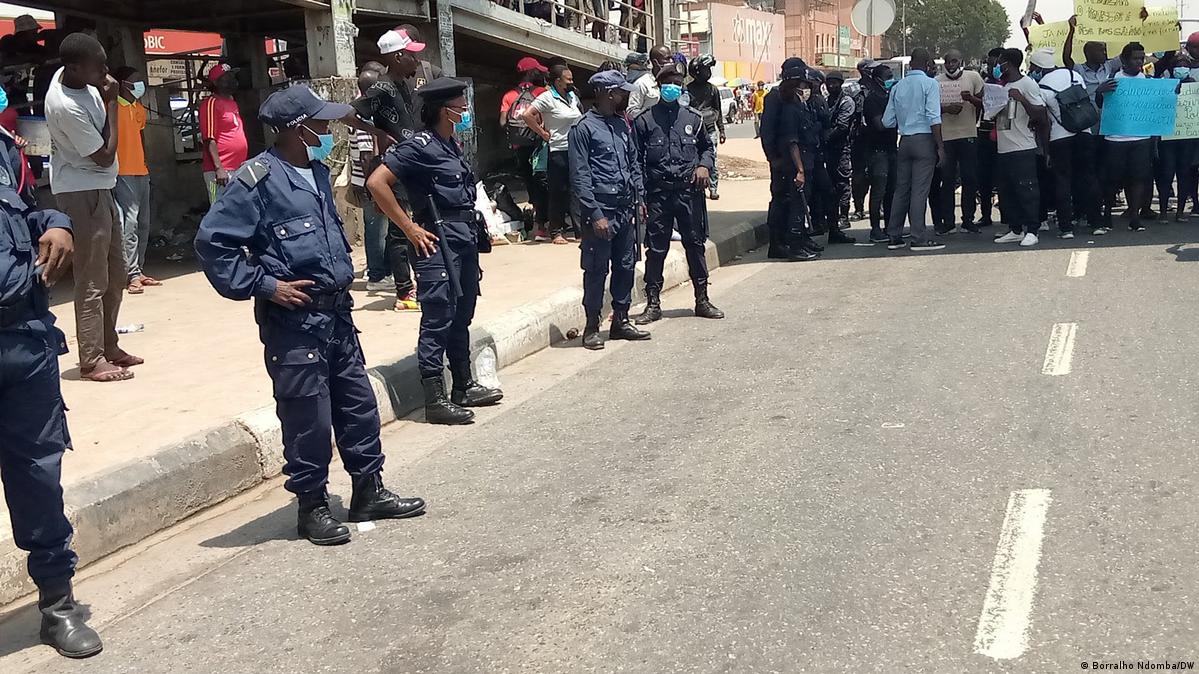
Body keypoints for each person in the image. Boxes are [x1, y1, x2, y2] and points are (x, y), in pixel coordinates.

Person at [195, 84, 427, 545]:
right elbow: (213, 243)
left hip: (338, 316)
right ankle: (312, 506)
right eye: (319, 122)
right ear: (297, 130)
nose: (328, 128)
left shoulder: (317, 172)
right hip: (295, 324)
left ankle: (368, 489)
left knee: (357, 406)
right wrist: (265, 285)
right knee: (308, 417)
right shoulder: (257, 180)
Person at [0, 87, 103, 659]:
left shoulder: (4, 148)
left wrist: (56, 220)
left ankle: (57, 604)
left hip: (23, 344)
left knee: (38, 477)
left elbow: (26, 202)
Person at [367, 78, 504, 425]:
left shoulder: (450, 144)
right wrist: (409, 228)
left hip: (463, 238)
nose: (465, 111)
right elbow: (377, 183)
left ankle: (462, 384)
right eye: (461, 105)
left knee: (462, 311)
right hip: (436, 240)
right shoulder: (419, 146)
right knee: (438, 316)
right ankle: (435, 398)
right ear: (445, 110)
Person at [46, 33, 141, 382]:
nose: (105, 71)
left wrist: (106, 95)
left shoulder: (82, 82)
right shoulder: (64, 103)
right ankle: (92, 359)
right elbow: (103, 156)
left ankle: (109, 344)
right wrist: (113, 103)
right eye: (97, 66)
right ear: (73, 68)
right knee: (91, 276)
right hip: (82, 190)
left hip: (103, 188)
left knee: (116, 272)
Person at [633, 63, 724, 324]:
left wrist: (705, 166)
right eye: (667, 84)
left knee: (695, 246)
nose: (672, 87)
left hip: (688, 193)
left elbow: (708, 149)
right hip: (658, 194)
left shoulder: (693, 119)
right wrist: (640, 198)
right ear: (660, 87)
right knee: (656, 250)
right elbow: (635, 162)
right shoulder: (644, 121)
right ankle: (653, 303)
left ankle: (702, 299)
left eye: (676, 83)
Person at [568, 70, 649, 350]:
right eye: (620, 92)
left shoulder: (621, 125)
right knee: (596, 270)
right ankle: (592, 326)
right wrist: (595, 214)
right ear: (606, 93)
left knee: (626, 266)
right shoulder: (583, 129)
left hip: (625, 209)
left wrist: (639, 199)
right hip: (601, 213)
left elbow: (633, 164)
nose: (625, 96)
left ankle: (621, 320)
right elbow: (580, 176)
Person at [882, 48, 946, 252]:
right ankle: (918, 238)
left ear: (910, 63)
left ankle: (894, 235)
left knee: (901, 189)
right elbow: (934, 118)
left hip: (905, 140)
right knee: (920, 191)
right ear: (927, 63)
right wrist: (941, 147)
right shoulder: (930, 84)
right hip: (924, 139)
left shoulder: (898, 87)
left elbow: (887, 121)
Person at [759, 58, 821, 261]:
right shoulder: (776, 98)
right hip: (784, 161)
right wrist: (773, 159)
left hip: (796, 160)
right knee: (782, 200)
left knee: (796, 202)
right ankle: (779, 243)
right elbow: (770, 133)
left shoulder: (794, 99)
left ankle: (797, 239)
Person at [987, 48, 1047, 247]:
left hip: (1022, 146)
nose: (997, 67)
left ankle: (1032, 229)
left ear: (1009, 64)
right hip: (1003, 146)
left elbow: (1040, 112)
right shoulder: (1001, 86)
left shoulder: (1027, 84)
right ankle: (1015, 228)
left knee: (1027, 189)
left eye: (1000, 63)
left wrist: (1022, 99)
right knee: (1007, 191)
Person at [111, 66, 160, 294]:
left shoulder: (137, 107)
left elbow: (140, 136)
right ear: (123, 84)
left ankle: (138, 269)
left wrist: (146, 163)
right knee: (129, 223)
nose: (140, 84)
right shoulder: (112, 107)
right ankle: (130, 274)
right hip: (123, 171)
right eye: (135, 80)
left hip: (141, 170)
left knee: (143, 222)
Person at [1095, 42, 1153, 234]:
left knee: (1138, 178)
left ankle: (1134, 217)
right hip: (1116, 138)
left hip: (1140, 137)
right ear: (1125, 59)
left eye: (1141, 58)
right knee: (1112, 178)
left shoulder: (1147, 80)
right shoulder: (1114, 79)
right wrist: (1100, 91)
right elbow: (1100, 103)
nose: (1139, 62)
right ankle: (1107, 215)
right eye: (1136, 58)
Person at [522, 64, 583, 244]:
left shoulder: (572, 96)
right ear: (557, 81)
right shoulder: (547, 97)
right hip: (558, 150)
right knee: (558, 192)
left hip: (576, 150)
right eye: (568, 79)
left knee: (577, 190)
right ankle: (556, 231)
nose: (572, 82)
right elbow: (527, 115)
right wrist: (543, 133)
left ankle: (580, 231)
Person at [1029, 47, 1085, 239]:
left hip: (1060, 137)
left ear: (1038, 66)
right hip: (1084, 132)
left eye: (1033, 65)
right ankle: (1096, 222)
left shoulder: (1041, 86)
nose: (1031, 69)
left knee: (1062, 182)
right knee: (1088, 177)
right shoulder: (1073, 74)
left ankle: (1066, 227)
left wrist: (1046, 151)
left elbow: (1044, 122)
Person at [933, 49, 984, 234]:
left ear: (961, 61)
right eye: (948, 62)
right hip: (946, 137)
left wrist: (971, 99)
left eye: (954, 61)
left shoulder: (974, 77)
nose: (951, 65)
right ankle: (948, 221)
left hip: (969, 134)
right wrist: (946, 109)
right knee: (947, 180)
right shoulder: (937, 82)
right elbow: (930, 108)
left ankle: (968, 219)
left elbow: (985, 103)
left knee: (969, 178)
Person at [500, 56, 549, 240]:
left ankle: (535, 218)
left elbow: (503, 121)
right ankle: (543, 223)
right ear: (530, 73)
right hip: (539, 144)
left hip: (519, 145)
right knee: (543, 182)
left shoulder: (509, 95)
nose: (539, 73)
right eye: (537, 70)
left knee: (529, 181)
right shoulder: (542, 92)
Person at [1151, 52, 1195, 222]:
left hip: (1188, 136)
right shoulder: (1163, 84)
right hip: (1167, 137)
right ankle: (1163, 211)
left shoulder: (1193, 85)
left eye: (1184, 65)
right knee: (1166, 173)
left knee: (1184, 173)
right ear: (1171, 68)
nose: (1181, 68)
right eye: (1178, 65)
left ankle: (1180, 211)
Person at [860, 62, 899, 244]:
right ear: (877, 79)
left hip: (892, 149)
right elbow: (880, 125)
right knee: (878, 192)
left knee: (891, 191)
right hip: (877, 152)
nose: (891, 79)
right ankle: (875, 229)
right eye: (888, 77)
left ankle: (890, 227)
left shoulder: (890, 96)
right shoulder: (872, 99)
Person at [199, 63, 248, 204]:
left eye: (232, 76)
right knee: (218, 210)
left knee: (236, 209)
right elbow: (208, 138)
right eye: (227, 77)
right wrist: (219, 168)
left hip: (237, 168)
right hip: (219, 172)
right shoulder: (211, 103)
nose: (232, 79)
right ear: (216, 82)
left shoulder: (232, 102)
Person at [685, 54, 725, 200]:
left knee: (712, 159)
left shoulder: (713, 89)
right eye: (704, 69)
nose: (707, 72)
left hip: (710, 129)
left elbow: (718, 110)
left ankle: (713, 188)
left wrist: (722, 131)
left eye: (709, 69)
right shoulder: (687, 90)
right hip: (693, 131)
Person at [824, 71, 856, 231]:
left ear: (840, 83)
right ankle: (832, 217)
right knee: (829, 185)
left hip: (842, 148)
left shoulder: (846, 101)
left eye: (835, 83)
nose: (831, 86)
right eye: (829, 83)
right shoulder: (826, 101)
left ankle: (844, 216)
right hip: (828, 150)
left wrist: (825, 137)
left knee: (843, 183)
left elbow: (842, 126)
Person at [626, 45, 671, 118]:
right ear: (655, 62)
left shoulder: (672, 82)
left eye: (671, 58)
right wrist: (650, 117)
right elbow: (631, 112)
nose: (671, 62)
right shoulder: (642, 83)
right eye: (667, 59)